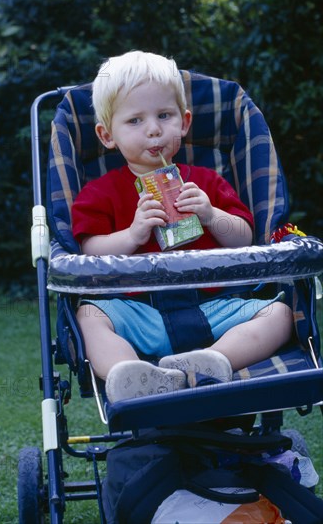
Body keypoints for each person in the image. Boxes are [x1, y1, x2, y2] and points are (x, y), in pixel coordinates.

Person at [72, 50, 293, 403]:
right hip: (140, 312)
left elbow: (245, 238)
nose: (154, 129)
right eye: (135, 121)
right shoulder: (100, 192)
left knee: (280, 314)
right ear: (107, 135)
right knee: (88, 315)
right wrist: (132, 235)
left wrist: (210, 215)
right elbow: (88, 251)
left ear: (184, 122)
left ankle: (216, 360)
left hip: (214, 305)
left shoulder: (207, 182)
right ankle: (130, 374)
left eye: (164, 115)